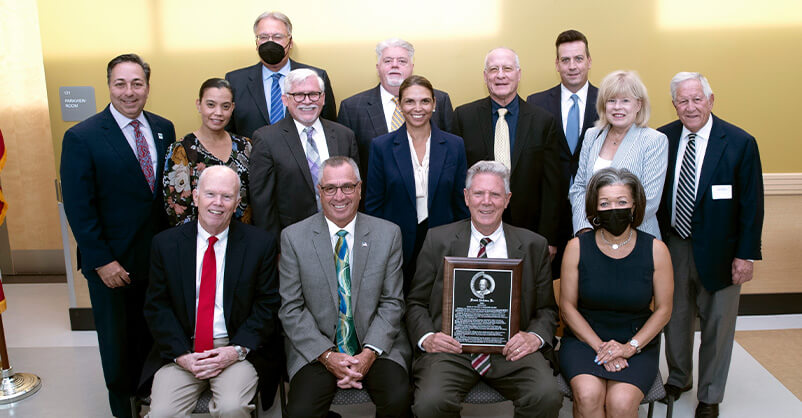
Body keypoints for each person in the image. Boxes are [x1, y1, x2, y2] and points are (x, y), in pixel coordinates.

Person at [60, 53, 176, 417]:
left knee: (153, 336)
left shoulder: (163, 127)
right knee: (118, 344)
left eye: (137, 83)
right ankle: (123, 409)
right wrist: (102, 261)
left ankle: (153, 399)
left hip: (155, 260)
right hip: (112, 263)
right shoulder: (83, 136)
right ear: (109, 85)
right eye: (121, 84)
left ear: (147, 86)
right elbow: (79, 208)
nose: (129, 92)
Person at [406, 160, 562, 418]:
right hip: (451, 350)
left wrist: (533, 337)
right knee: (430, 402)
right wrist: (428, 337)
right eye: (478, 193)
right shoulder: (438, 240)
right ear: (467, 197)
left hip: (511, 351)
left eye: (495, 194)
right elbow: (415, 303)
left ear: (507, 199)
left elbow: (546, 309)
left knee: (545, 396)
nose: (486, 201)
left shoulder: (534, 245)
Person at [656, 72, 764, 418]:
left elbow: (752, 205)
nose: (690, 107)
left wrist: (745, 255)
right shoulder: (662, 138)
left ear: (711, 100)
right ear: (674, 105)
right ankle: (679, 378)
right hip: (673, 244)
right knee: (675, 318)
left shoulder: (738, 142)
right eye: (682, 101)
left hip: (722, 251)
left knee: (718, 324)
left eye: (696, 99)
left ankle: (710, 394)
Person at [143, 166, 280, 418]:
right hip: (184, 349)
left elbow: (267, 305)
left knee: (232, 407)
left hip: (235, 349)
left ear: (238, 202)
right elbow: (157, 306)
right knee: (162, 413)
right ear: (195, 197)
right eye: (210, 194)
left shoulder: (260, 244)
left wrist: (235, 351)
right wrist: (182, 355)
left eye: (227, 197)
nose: (217, 203)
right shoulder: (165, 244)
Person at [279, 156, 411, 417]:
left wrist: (368, 354)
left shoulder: (388, 234)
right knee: (299, 412)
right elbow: (291, 308)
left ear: (359, 189)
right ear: (320, 192)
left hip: (376, 346)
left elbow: (393, 302)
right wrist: (328, 357)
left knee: (399, 399)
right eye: (330, 188)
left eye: (347, 187)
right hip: (317, 348)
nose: (339, 196)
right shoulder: (294, 238)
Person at [559, 167, 673, 418]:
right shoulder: (576, 247)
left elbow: (664, 310)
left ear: (634, 206)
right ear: (595, 208)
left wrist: (629, 347)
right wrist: (601, 347)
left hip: (636, 340)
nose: (614, 209)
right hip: (585, 340)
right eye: (605, 203)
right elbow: (566, 307)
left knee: (620, 403)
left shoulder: (657, 250)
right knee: (588, 396)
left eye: (622, 202)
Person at [452, 47, 563, 261]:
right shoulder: (464, 117)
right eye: (493, 69)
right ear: (485, 77)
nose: (500, 75)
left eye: (507, 69)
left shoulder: (543, 121)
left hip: (529, 230)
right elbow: (457, 180)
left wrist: (549, 238)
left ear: (519, 74)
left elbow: (552, 187)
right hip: (476, 229)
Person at [365, 75, 469, 292]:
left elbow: (461, 203)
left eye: (424, 101)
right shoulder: (382, 146)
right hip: (397, 245)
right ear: (400, 105)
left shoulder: (454, 145)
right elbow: (373, 205)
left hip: (443, 243)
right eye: (410, 101)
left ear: (434, 104)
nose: (417, 108)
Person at [249, 68, 359, 240]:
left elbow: (356, 189)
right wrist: (275, 247)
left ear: (323, 98)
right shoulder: (266, 139)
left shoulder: (344, 135)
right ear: (285, 99)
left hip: (341, 233)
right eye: (299, 95)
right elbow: (262, 202)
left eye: (314, 94)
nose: (307, 101)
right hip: (293, 238)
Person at [527, 29, 599, 279]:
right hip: (549, 215)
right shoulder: (535, 103)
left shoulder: (608, 103)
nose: (572, 66)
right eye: (565, 60)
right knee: (550, 289)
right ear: (557, 64)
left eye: (578, 59)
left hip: (594, 215)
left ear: (589, 61)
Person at [569, 70, 668, 239]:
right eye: (611, 100)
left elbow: (649, 201)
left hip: (637, 238)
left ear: (638, 105)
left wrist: (612, 232)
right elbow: (579, 188)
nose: (617, 107)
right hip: (591, 236)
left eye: (625, 101)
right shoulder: (592, 135)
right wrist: (584, 228)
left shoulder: (654, 140)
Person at [338, 38, 455, 179]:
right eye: (387, 61)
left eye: (402, 61)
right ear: (378, 67)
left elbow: (451, 154)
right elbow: (347, 166)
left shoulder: (440, 101)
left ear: (412, 67)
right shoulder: (352, 108)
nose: (394, 65)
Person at [225, 11, 336, 138]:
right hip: (253, 155)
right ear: (256, 43)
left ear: (290, 42)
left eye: (277, 37)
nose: (270, 43)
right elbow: (227, 133)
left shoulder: (317, 77)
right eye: (263, 37)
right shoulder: (235, 81)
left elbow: (330, 129)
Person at [163, 78, 252, 226]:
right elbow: (177, 208)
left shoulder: (246, 146)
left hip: (244, 239)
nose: (218, 113)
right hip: (199, 242)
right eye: (211, 105)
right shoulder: (181, 150)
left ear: (232, 108)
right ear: (199, 105)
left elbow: (254, 198)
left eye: (225, 106)